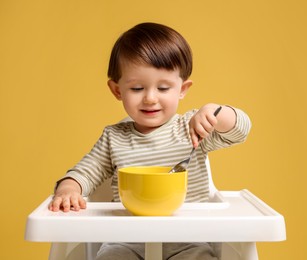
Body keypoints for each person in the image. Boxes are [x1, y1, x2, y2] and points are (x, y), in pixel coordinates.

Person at [49, 22, 251, 260]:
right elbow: (84, 173)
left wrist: (216, 111)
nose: (150, 98)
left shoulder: (191, 128)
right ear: (117, 90)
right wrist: (68, 190)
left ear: (182, 89)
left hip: (188, 239)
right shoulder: (113, 138)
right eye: (136, 88)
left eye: (164, 88)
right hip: (126, 240)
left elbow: (240, 130)